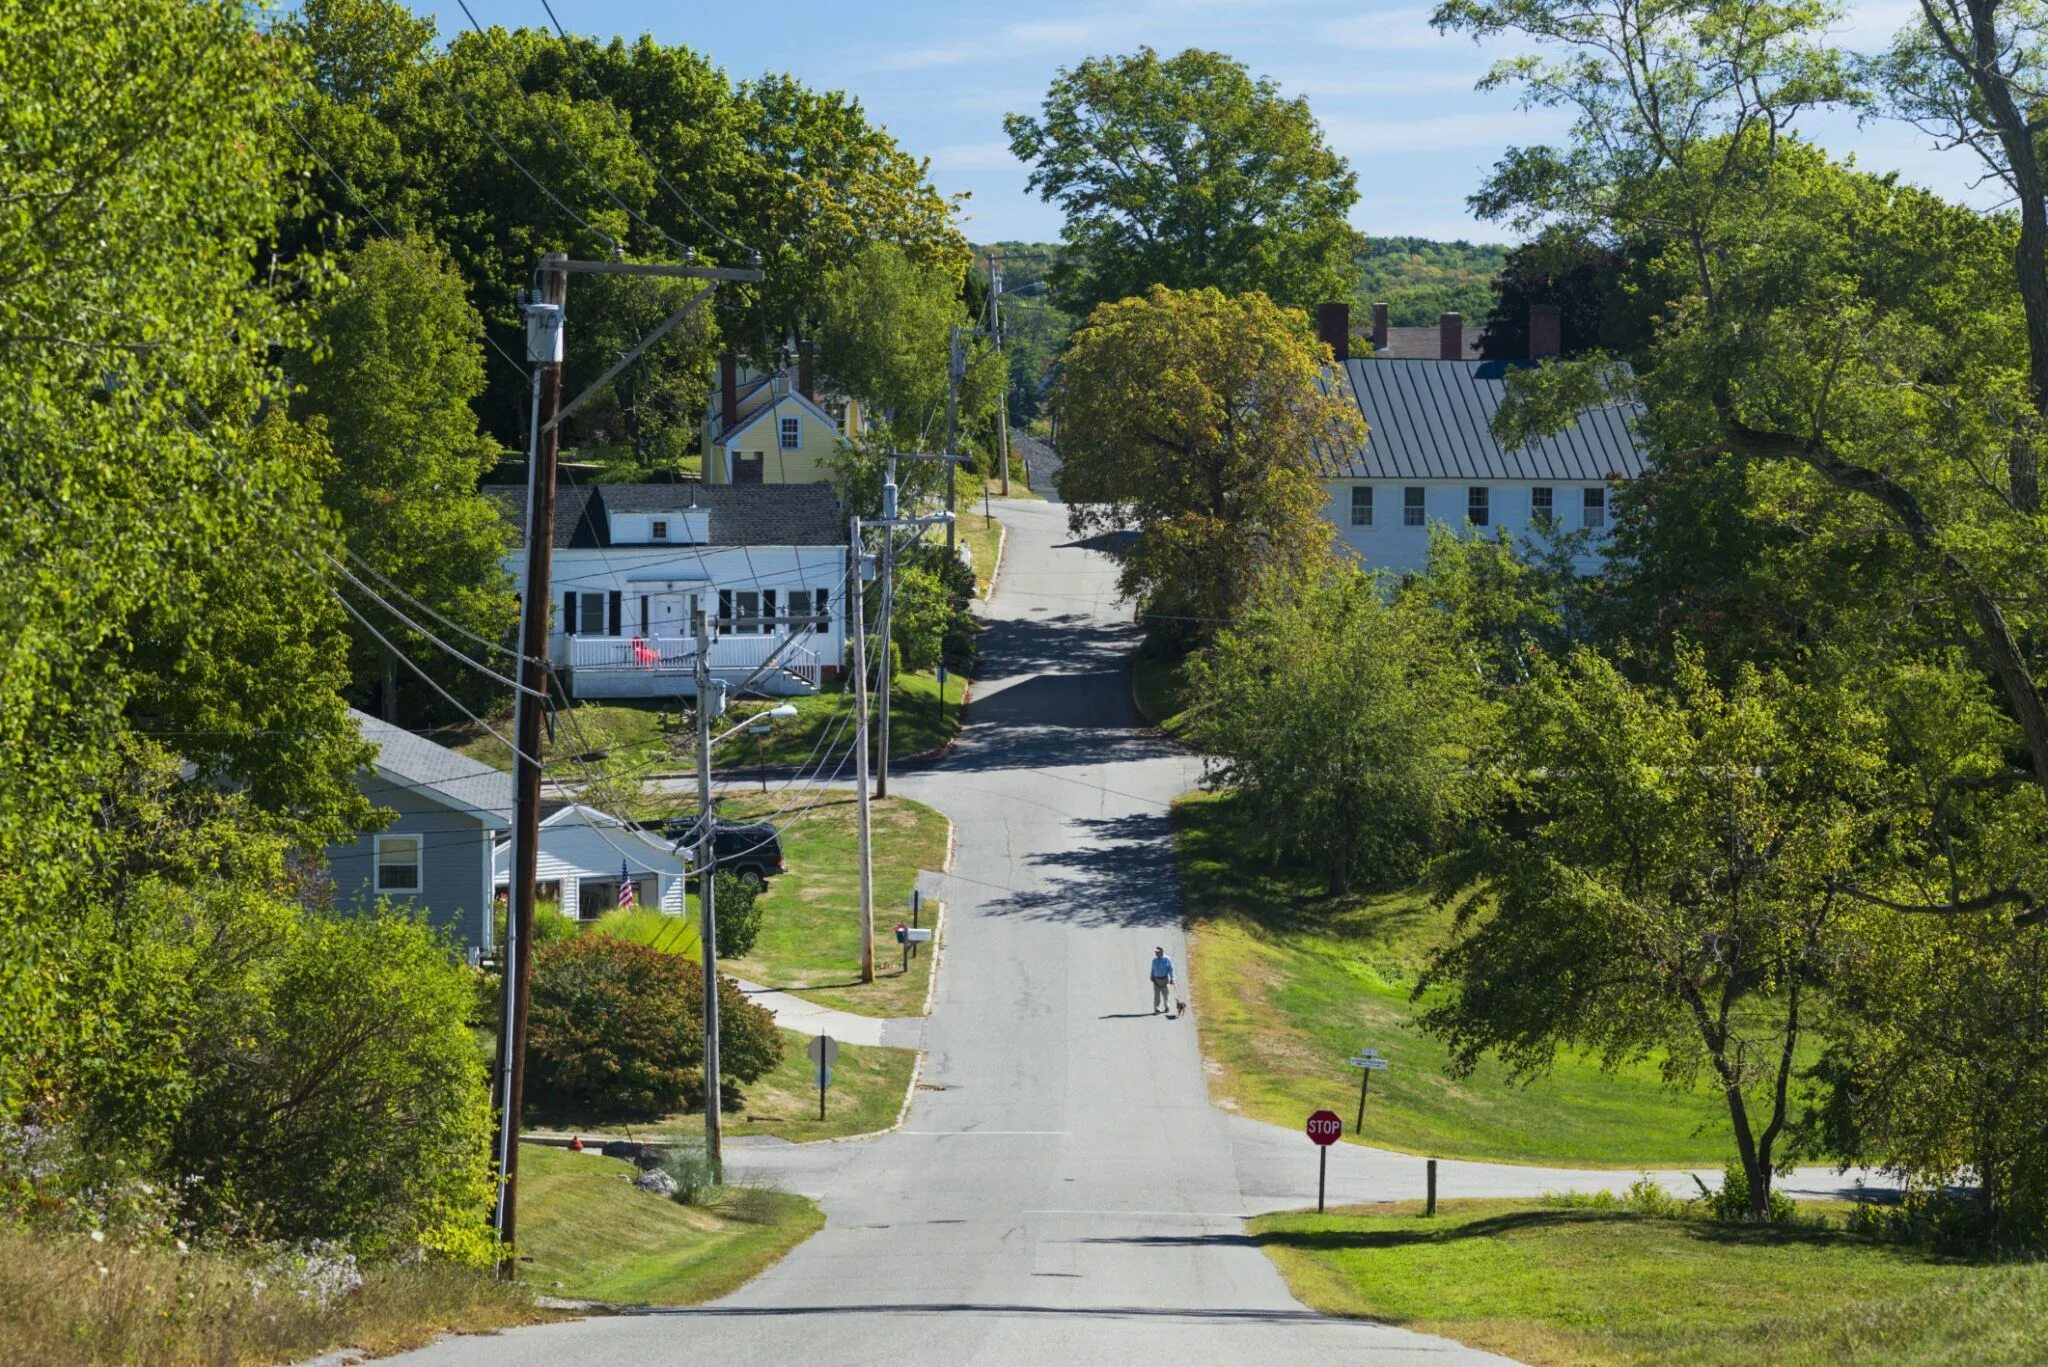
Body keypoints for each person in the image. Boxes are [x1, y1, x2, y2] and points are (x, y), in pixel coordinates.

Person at [1149, 946, 1175, 1015]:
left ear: (1162, 952)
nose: (1156, 953)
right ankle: (1156, 1008)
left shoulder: (1167, 959)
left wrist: (1172, 978)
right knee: (1156, 995)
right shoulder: (1154, 960)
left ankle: (1167, 1007)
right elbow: (1153, 969)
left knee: (1165, 995)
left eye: (1157, 952)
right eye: (1156, 952)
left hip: (1164, 979)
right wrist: (1151, 976)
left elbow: (1171, 969)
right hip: (1156, 980)